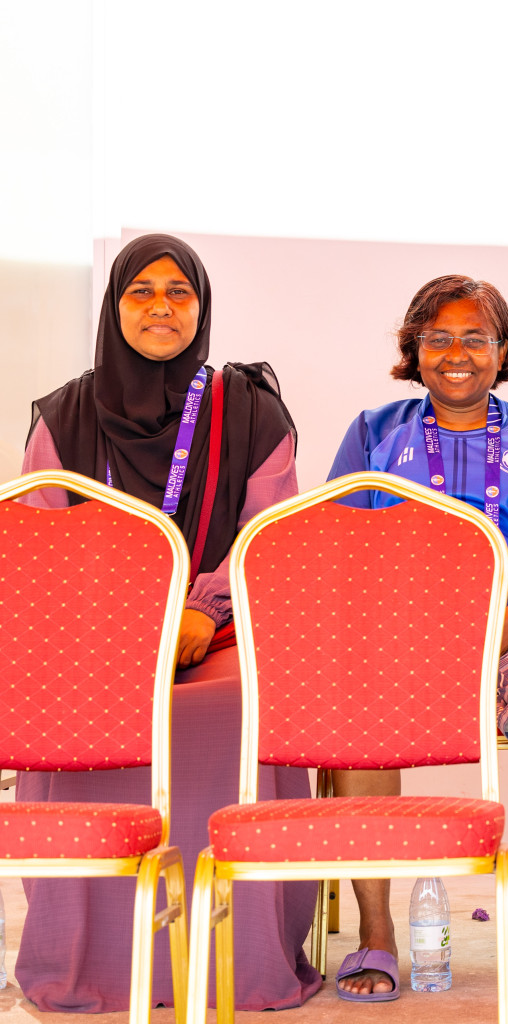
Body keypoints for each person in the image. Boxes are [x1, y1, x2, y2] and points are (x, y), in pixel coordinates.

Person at [16, 234, 319, 1011]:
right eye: (141, 292)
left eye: (178, 292)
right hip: (100, 636)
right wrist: (127, 624)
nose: (160, 307)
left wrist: (198, 608)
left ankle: (238, 961)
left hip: (213, 632)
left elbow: (268, 538)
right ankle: (95, 963)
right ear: (115, 306)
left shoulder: (250, 410)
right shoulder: (63, 416)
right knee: (70, 706)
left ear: (202, 306)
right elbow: (41, 551)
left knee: (246, 700)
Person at [325, 274, 508, 999]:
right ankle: (377, 933)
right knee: (362, 725)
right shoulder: (373, 431)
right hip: (399, 626)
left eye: (475, 338)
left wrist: (500, 626)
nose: (456, 353)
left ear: (503, 350)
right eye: (437, 338)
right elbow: (338, 542)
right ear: (412, 350)